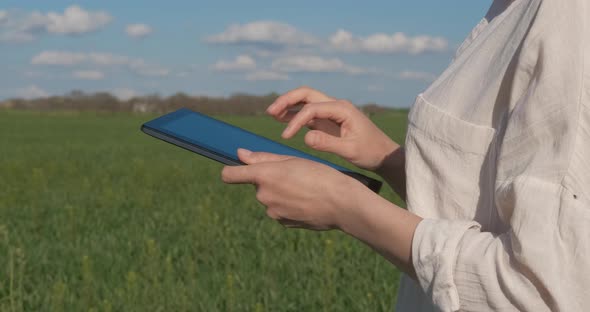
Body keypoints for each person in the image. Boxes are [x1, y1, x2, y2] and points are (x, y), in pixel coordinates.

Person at [222, 0, 590, 310]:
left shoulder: (568, 16)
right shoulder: (509, 11)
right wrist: (385, 156)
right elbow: (481, 206)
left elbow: (541, 295)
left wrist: (344, 204)